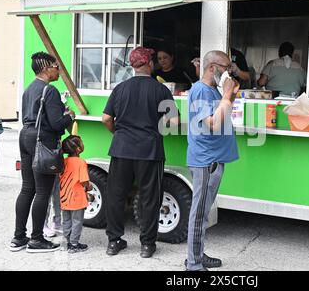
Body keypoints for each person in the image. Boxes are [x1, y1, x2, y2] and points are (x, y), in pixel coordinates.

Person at [102, 47, 179, 258]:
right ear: (148, 63)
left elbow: (106, 119)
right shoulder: (160, 90)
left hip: (121, 148)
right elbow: (174, 121)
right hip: (149, 150)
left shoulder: (120, 89)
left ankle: (114, 241)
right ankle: (147, 245)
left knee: (116, 195)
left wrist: (118, 133)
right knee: (149, 197)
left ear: (133, 65)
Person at [10, 52, 75, 253]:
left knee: (27, 188)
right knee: (43, 191)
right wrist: (69, 116)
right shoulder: (50, 90)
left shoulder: (29, 89)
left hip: (25, 136)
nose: (59, 70)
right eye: (56, 66)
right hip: (43, 140)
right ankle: (37, 240)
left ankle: (18, 237)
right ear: (47, 68)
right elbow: (56, 124)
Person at [186, 50, 240, 271]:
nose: (229, 72)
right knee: (199, 215)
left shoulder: (211, 90)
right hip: (206, 161)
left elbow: (222, 114)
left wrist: (230, 95)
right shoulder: (201, 90)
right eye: (225, 67)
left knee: (203, 213)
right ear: (212, 67)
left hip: (212, 159)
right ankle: (194, 265)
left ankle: (196, 255)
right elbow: (214, 123)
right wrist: (226, 96)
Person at [59, 135, 91, 253]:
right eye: (81, 143)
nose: (83, 144)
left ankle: (68, 241)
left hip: (64, 196)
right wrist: (89, 186)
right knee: (77, 221)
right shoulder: (81, 162)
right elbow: (84, 181)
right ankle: (74, 243)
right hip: (77, 197)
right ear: (78, 149)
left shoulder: (63, 161)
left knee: (66, 220)